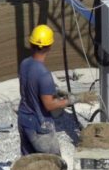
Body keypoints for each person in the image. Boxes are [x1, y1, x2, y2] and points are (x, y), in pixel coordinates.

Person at [17, 24, 73, 156]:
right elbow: (49, 105)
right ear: (49, 46)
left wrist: (53, 92)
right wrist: (70, 100)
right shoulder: (44, 74)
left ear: (31, 44)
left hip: (23, 118)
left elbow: (31, 88)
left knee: (29, 162)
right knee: (52, 165)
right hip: (39, 125)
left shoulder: (24, 63)